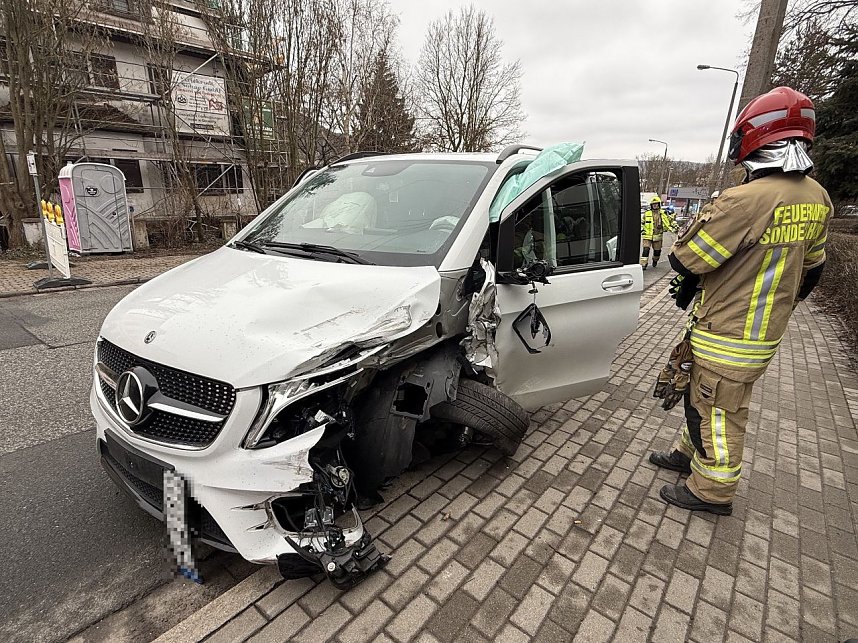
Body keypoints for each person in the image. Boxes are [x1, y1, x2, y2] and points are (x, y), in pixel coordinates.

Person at [650, 86, 833, 515]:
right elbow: (813, 268)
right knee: (704, 398)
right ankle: (687, 455)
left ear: (755, 136)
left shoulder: (747, 200)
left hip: (728, 332)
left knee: (717, 410)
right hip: (762, 333)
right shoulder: (817, 196)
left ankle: (711, 491)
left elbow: (685, 259)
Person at [640, 195, 677, 269]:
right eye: (653, 204)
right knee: (646, 250)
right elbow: (641, 223)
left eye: (656, 204)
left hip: (658, 236)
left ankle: (655, 260)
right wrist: (642, 230)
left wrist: (672, 216)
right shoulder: (647, 213)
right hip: (647, 235)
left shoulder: (663, 213)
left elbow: (670, 220)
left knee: (657, 251)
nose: (655, 205)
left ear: (659, 205)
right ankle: (643, 265)